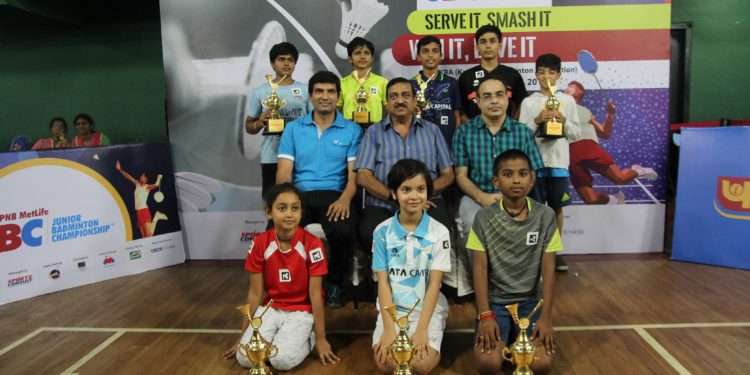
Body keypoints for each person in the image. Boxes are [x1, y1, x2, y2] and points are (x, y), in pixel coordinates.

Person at [223, 183, 339, 370]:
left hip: (302, 311)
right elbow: (254, 293)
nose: (289, 214)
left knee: (281, 361)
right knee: (245, 357)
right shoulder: (260, 243)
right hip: (271, 308)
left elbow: (316, 295)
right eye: (282, 208)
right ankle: (278, 340)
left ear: (301, 212)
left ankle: (307, 337)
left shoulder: (313, 244)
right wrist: (242, 337)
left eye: (295, 208)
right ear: (268, 212)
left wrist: (321, 338)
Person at [468, 149, 560, 375]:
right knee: (488, 363)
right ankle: (505, 335)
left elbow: (549, 268)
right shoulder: (483, 217)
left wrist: (546, 317)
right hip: (495, 304)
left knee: (541, 364)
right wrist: (486, 315)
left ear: (532, 178)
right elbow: (479, 268)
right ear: (496, 181)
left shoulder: (546, 216)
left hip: (531, 304)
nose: (516, 180)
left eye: (522, 173)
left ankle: (514, 338)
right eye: (508, 174)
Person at [277, 71, 363, 308]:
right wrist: (287, 205)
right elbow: (284, 173)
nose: (325, 96)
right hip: (299, 197)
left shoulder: (352, 130)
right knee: (276, 229)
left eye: (330, 91)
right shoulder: (293, 129)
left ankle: (335, 283)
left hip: (335, 196)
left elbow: (354, 173)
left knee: (344, 231)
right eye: (319, 91)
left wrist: (345, 199)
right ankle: (288, 287)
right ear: (311, 96)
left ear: (338, 96)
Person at [452, 77, 543, 294]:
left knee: (525, 225)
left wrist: (514, 199)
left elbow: (532, 175)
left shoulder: (522, 132)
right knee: (472, 222)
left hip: (517, 197)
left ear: (506, 99)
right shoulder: (464, 132)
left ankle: (517, 284)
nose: (494, 100)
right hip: (476, 196)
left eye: (499, 95)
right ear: (478, 102)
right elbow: (461, 175)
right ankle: (484, 287)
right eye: (487, 96)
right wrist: (482, 197)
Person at [356, 77, 454, 252]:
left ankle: (434, 278)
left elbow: (448, 175)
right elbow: (363, 177)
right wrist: (395, 198)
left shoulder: (432, 131)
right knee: (368, 231)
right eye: (393, 96)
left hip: (428, 202)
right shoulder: (373, 132)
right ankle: (380, 278)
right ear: (387, 103)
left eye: (405, 95)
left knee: (442, 231)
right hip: (384, 204)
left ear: (415, 101)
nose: (400, 100)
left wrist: (419, 197)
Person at [371, 159, 451, 375]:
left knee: (419, 365)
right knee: (387, 364)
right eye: (406, 189)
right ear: (394, 193)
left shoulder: (440, 232)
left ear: (428, 192)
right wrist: (389, 330)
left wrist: (422, 330)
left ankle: (435, 343)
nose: (414, 196)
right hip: (393, 311)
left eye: (421, 189)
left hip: (427, 311)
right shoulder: (381, 232)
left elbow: (435, 284)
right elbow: (384, 284)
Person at [518, 53, 581, 272]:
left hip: (559, 165)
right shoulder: (529, 102)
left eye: (551, 72)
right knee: (534, 210)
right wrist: (537, 120)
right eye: (542, 72)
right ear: (535, 74)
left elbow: (576, 133)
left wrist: (563, 121)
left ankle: (554, 252)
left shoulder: (567, 101)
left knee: (556, 210)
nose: (546, 76)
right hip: (535, 165)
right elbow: (521, 134)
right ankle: (534, 252)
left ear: (559, 75)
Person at [565, 81, 658, 204]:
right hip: (569, 155)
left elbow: (605, 133)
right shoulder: (554, 107)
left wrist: (610, 114)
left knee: (620, 178)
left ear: (580, 93)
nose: (567, 88)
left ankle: (639, 170)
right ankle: (613, 199)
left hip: (587, 147)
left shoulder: (584, 111)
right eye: (567, 86)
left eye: (571, 86)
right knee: (591, 200)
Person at [245, 42, 312, 198]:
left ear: (295, 64)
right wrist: (259, 122)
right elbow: (249, 126)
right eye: (282, 59)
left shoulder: (305, 90)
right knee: (273, 201)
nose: (287, 63)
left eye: (291, 60)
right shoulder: (260, 91)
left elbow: (315, 123)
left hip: (301, 156)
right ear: (272, 64)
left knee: (301, 201)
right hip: (271, 157)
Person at [458, 24, 527, 121]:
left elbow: (523, 104)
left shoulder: (512, 75)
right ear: (477, 47)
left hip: (505, 134)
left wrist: (511, 126)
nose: (488, 46)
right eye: (483, 42)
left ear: (500, 45)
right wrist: (472, 129)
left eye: (492, 41)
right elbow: (460, 110)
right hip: (475, 135)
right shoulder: (466, 77)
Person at [409, 35, 462, 148]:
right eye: (425, 51)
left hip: (447, 142)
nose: (430, 55)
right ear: (418, 56)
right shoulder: (411, 84)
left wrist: (456, 139)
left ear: (440, 56)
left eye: (435, 51)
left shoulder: (451, 83)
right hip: (419, 142)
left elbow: (456, 115)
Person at [338, 37, 388, 127]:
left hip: (375, 131)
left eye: (366, 53)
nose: (362, 57)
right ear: (350, 59)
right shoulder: (342, 83)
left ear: (372, 58)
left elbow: (390, 111)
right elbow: (335, 112)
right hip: (349, 131)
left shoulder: (382, 82)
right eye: (357, 53)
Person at [115, 160, 167, 238]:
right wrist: (119, 169)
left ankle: (156, 217)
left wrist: (159, 177)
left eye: (142, 176)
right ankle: (156, 217)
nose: (140, 176)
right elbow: (128, 177)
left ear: (145, 179)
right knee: (144, 238)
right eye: (141, 175)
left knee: (149, 235)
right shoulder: (137, 184)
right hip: (138, 213)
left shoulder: (147, 187)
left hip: (144, 211)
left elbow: (157, 184)